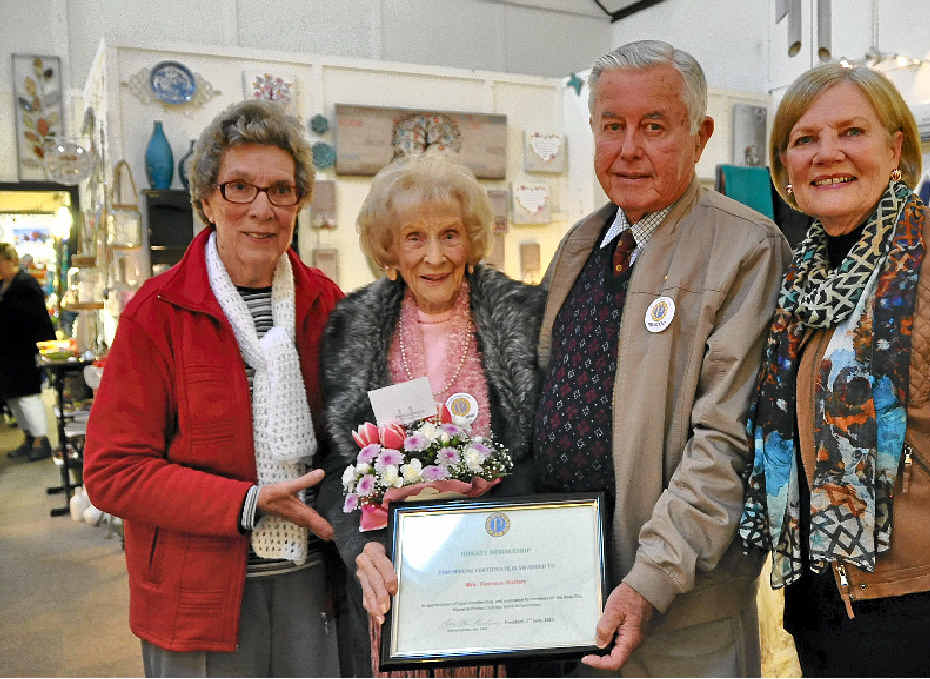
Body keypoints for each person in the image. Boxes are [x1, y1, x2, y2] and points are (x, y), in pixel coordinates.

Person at [738, 63, 930, 677]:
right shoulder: (798, 279)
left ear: (896, 148)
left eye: (851, 132)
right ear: (785, 165)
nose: (827, 153)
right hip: (819, 612)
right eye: (804, 139)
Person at [531, 40, 791, 676]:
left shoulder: (747, 249)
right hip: (570, 596)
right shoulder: (581, 243)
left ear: (699, 136)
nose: (628, 148)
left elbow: (728, 442)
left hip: (679, 613)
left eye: (654, 127)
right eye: (612, 126)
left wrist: (650, 579)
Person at [83, 99, 344, 677]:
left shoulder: (329, 304)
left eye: (281, 190)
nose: (261, 209)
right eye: (239, 187)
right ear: (206, 200)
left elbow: (353, 439)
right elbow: (112, 472)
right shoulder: (157, 312)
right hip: (197, 598)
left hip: (312, 586)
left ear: (299, 202)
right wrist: (246, 503)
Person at [317, 152, 546, 676]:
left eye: (449, 234)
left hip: (496, 573)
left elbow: (540, 452)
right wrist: (362, 549)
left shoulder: (523, 316)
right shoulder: (351, 325)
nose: (435, 256)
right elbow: (336, 468)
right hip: (399, 583)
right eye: (415, 237)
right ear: (389, 248)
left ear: (471, 240)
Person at [1, 241, 56, 461]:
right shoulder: (6, 285)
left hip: (23, 351)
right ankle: (29, 437)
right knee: (14, 398)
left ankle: (40, 440)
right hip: (8, 353)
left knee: (27, 396)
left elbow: (32, 320)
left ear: (9, 261)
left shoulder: (24, 284)